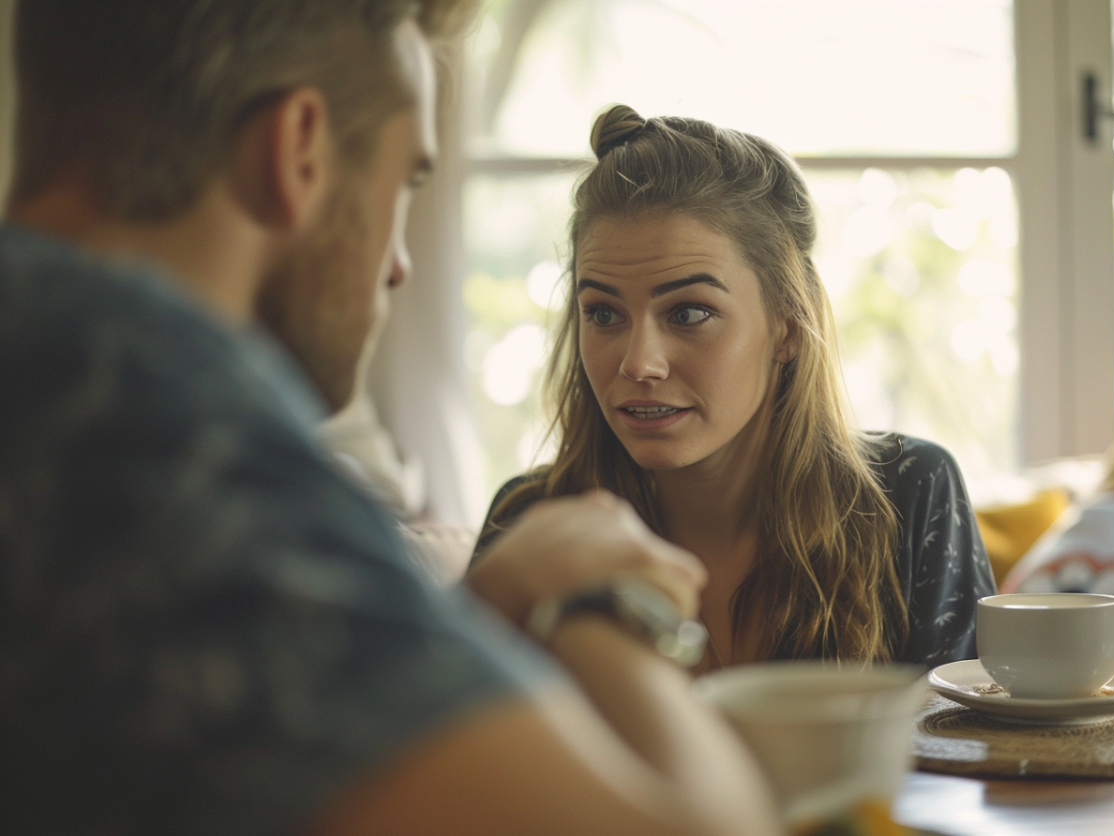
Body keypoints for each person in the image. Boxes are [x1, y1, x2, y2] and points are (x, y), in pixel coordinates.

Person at [0, 3, 782, 835]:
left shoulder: (51, 358)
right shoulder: (156, 425)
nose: (401, 264)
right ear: (297, 149)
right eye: (407, 179)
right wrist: (598, 601)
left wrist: (478, 611)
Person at [477, 105, 998, 672]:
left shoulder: (908, 498)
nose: (639, 363)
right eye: (603, 314)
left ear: (788, 329)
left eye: (690, 312)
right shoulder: (532, 524)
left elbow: (963, 750)